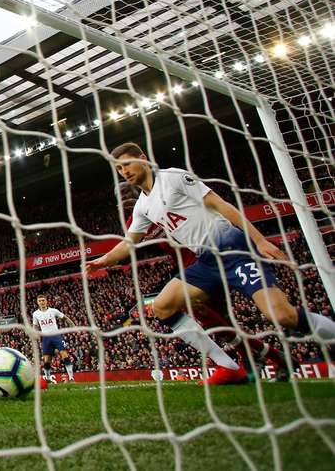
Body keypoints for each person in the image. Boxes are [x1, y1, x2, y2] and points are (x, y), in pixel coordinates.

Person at [86, 142, 335, 385]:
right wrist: (101, 262)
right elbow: (128, 244)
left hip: (233, 250)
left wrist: (259, 240)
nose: (125, 171)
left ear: (142, 157)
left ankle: (292, 349)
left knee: (282, 315)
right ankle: (228, 364)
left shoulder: (173, 177)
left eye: (127, 164)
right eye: (119, 169)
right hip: (205, 262)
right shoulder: (142, 208)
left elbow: (220, 204)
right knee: (162, 307)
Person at [118, 180, 291, 382]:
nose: (125, 199)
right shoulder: (137, 221)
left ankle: (257, 358)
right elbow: (125, 253)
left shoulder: (161, 201)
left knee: (218, 320)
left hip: (211, 257)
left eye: (127, 193)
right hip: (192, 271)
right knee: (218, 323)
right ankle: (265, 357)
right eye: (120, 197)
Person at [32, 295, 75, 382]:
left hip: (56, 335)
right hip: (45, 338)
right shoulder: (35, 314)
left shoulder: (53, 311)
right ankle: (47, 378)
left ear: (46, 301)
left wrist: (73, 325)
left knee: (64, 354)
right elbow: (35, 325)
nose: (42, 302)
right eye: (40, 301)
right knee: (47, 360)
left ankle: (71, 377)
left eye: (43, 300)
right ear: (37, 302)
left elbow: (64, 317)